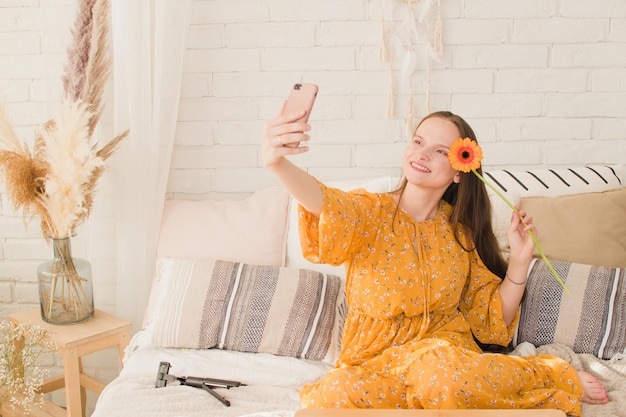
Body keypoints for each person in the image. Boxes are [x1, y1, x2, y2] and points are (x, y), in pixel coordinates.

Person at [261, 105, 609, 415]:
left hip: (443, 360)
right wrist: (276, 161)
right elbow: (323, 201)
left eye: (439, 150)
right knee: (332, 396)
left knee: (441, 378)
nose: (422, 154)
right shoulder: (369, 213)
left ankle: (550, 372)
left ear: (459, 170)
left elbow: (491, 320)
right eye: (417, 141)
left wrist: (519, 260)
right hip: (373, 363)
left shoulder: (460, 235)